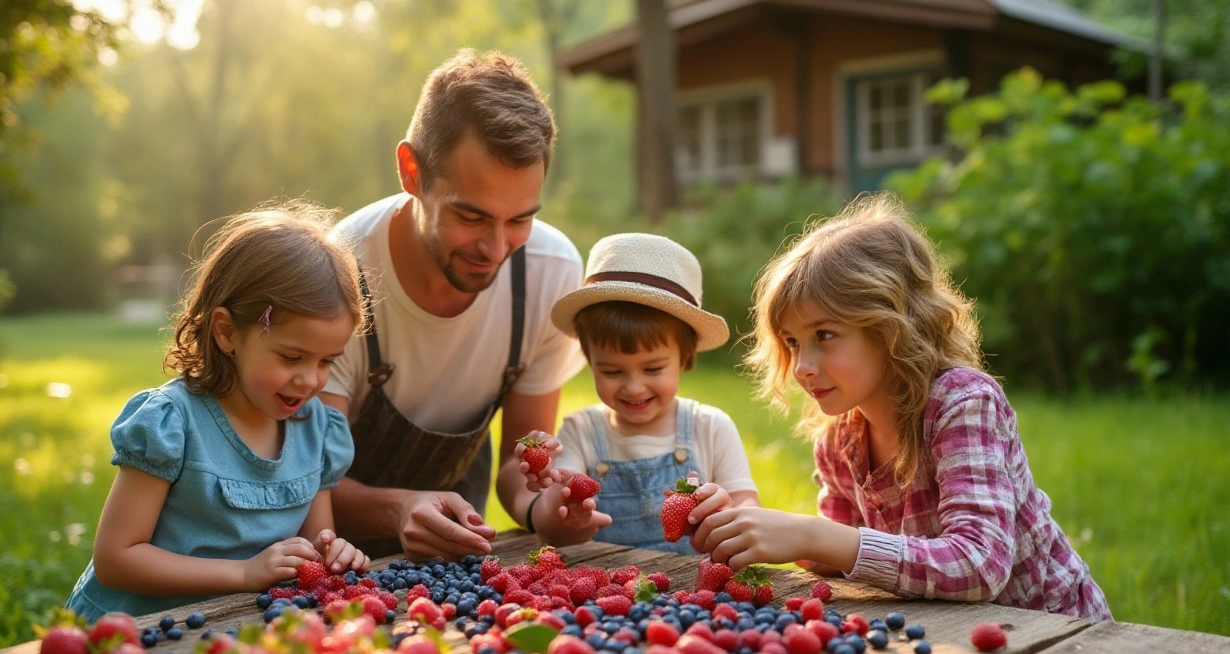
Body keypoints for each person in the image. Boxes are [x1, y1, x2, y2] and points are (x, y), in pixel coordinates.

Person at [693, 194, 1112, 622]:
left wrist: (809, 534)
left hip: (1056, 633)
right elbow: (838, 560)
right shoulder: (841, 439)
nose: (802, 366)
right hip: (954, 639)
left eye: (824, 335)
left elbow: (979, 565)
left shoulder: (962, 404)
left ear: (891, 327)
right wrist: (750, 526)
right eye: (793, 342)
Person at [319, 49, 585, 561]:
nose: (496, 246)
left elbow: (517, 464)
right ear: (411, 170)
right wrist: (399, 511)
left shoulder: (550, 273)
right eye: (471, 216)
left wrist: (545, 508)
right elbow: (298, 481)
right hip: (328, 559)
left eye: (520, 220)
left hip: (450, 564)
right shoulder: (339, 274)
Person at [66, 202, 370, 621]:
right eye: (292, 356)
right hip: (135, 635)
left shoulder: (316, 430)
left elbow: (314, 546)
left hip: (230, 633)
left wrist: (334, 554)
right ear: (227, 332)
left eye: (326, 362)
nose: (310, 381)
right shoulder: (173, 424)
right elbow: (116, 559)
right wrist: (244, 572)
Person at [519, 233, 760, 552]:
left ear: (684, 358)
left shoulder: (711, 427)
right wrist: (552, 483)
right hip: (609, 591)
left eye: (652, 369)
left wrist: (727, 510)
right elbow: (557, 512)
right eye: (612, 371)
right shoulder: (581, 432)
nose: (633, 387)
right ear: (589, 362)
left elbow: (749, 510)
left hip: (697, 596)